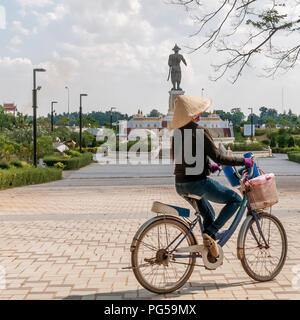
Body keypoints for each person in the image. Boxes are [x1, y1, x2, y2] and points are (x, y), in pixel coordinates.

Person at [171, 95, 254, 258]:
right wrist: (243, 161)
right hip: (197, 183)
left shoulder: (177, 133)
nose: (200, 114)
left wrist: (210, 166)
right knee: (236, 200)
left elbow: (185, 158)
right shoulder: (200, 131)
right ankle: (210, 233)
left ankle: (210, 249)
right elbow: (220, 157)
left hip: (180, 184)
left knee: (208, 214)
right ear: (194, 115)